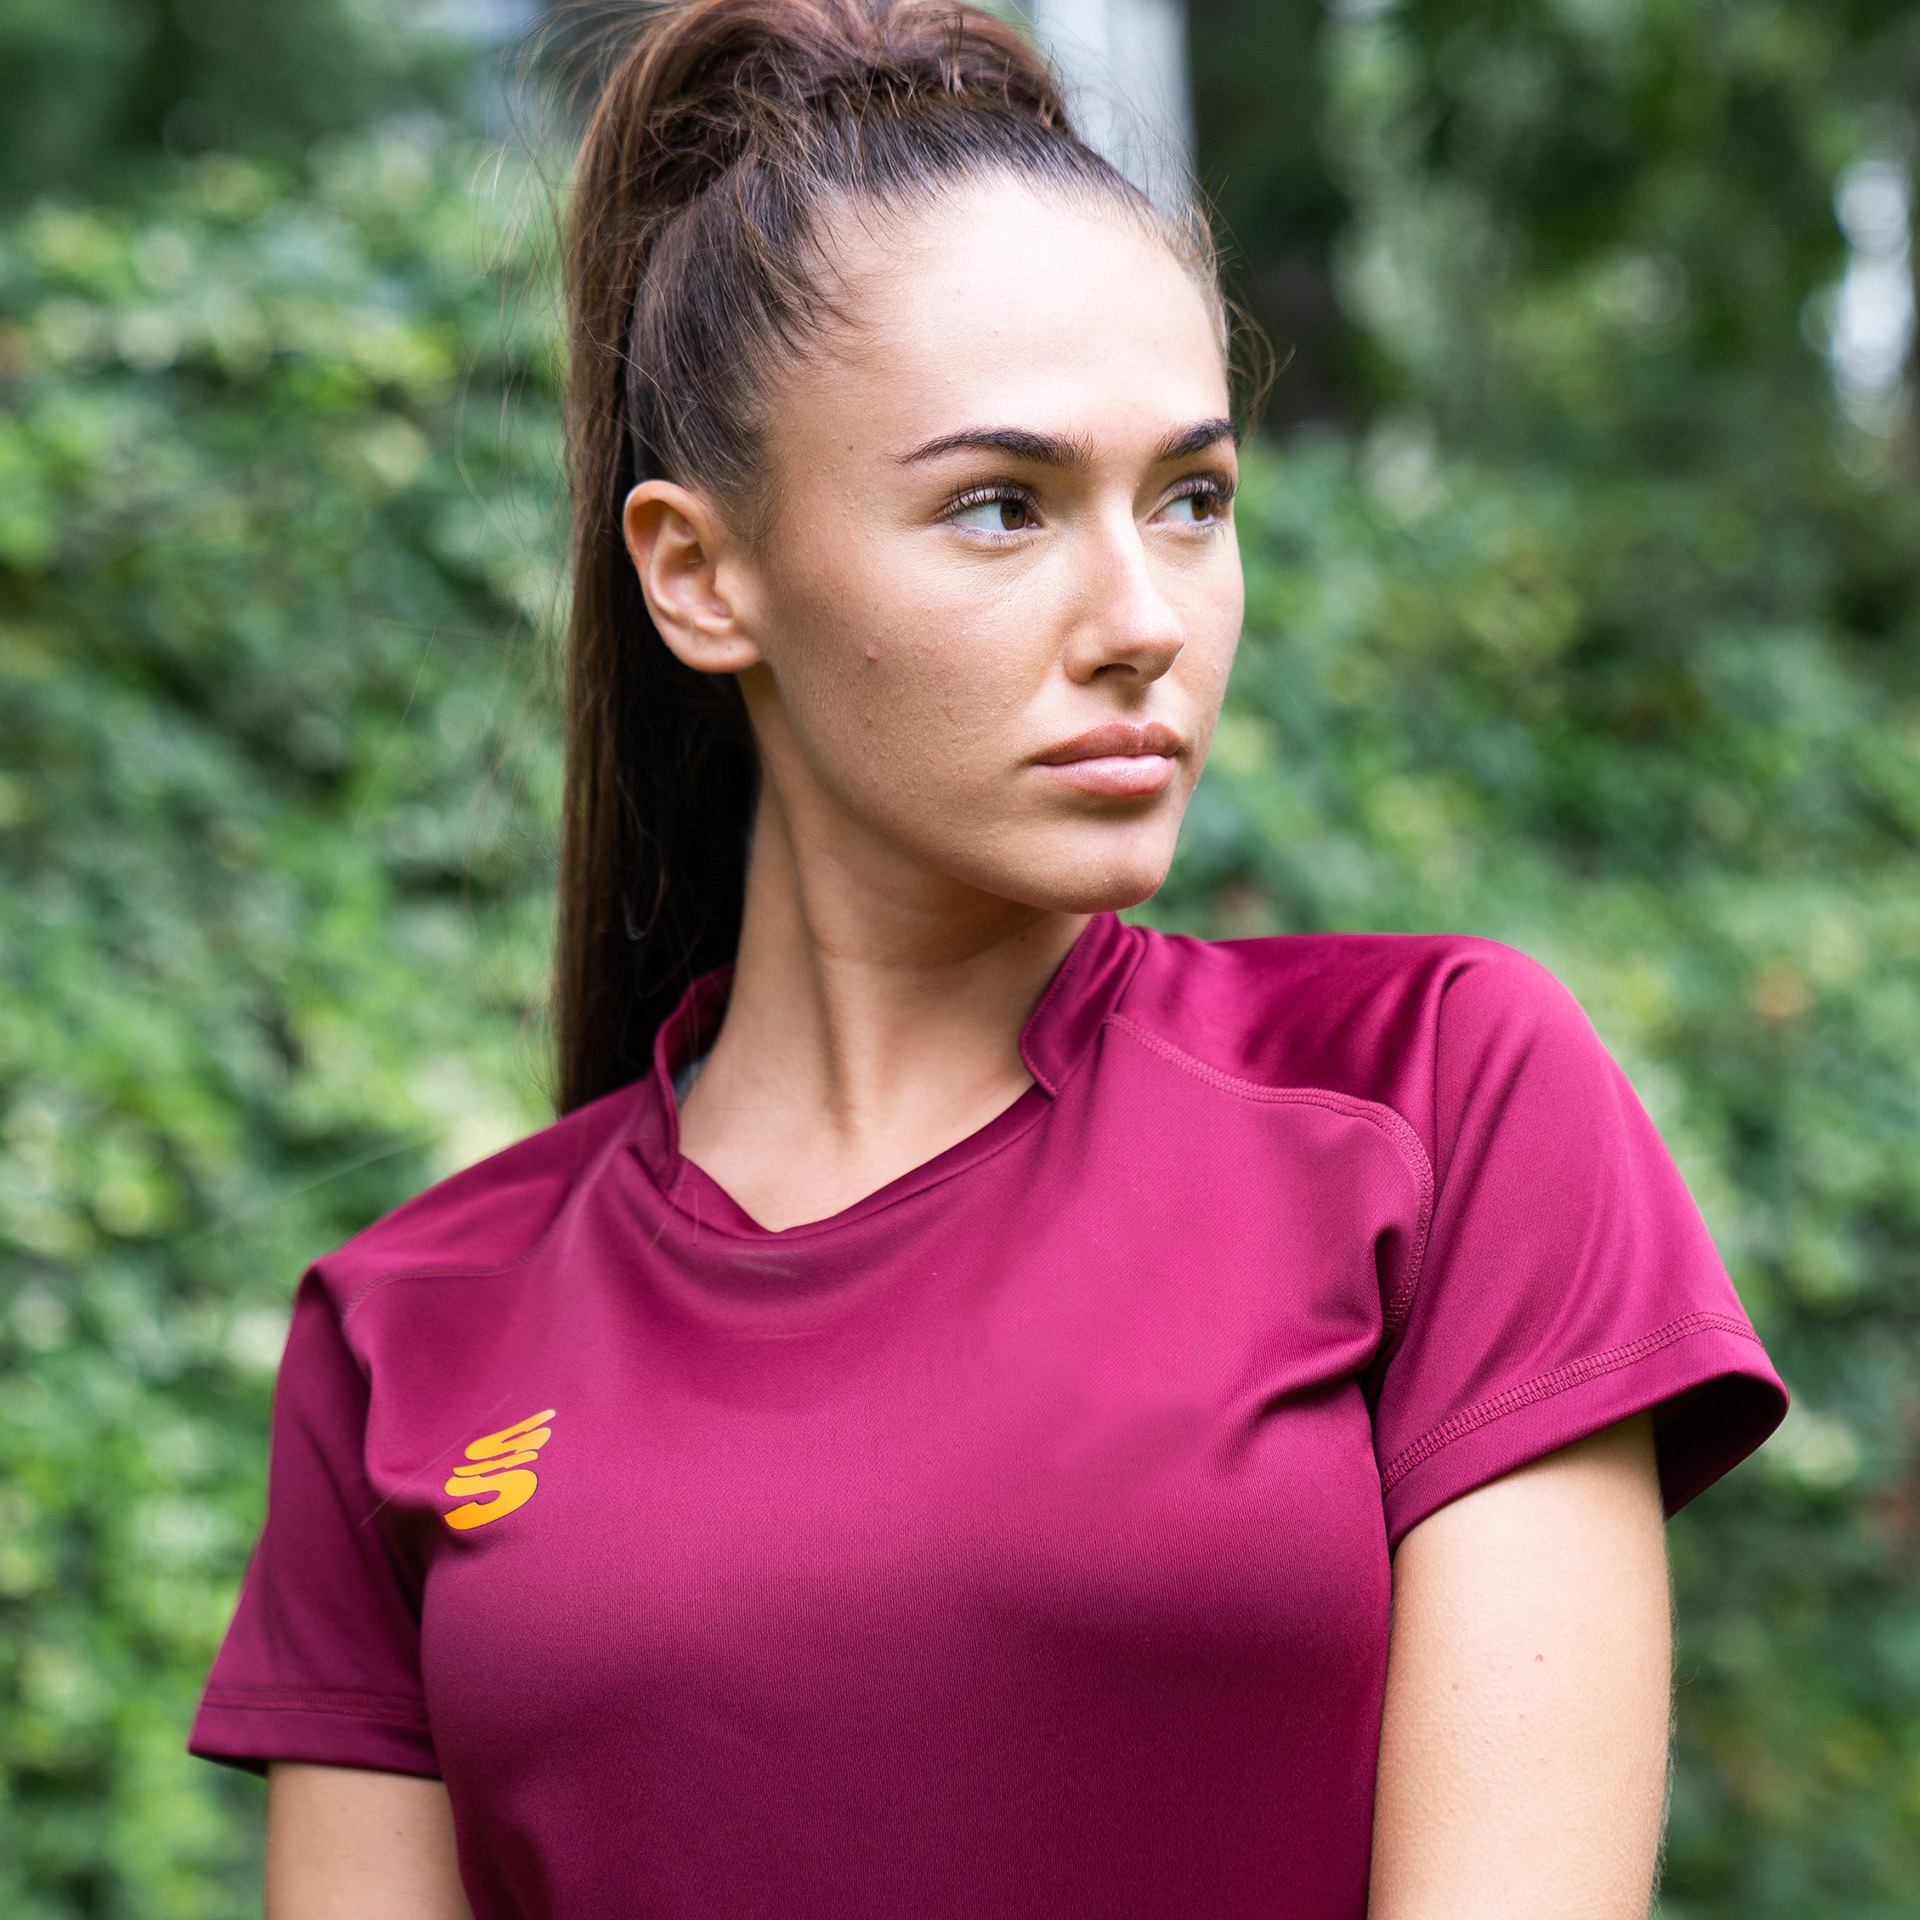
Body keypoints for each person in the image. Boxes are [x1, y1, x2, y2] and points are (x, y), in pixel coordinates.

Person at [189, 3, 1787, 1915]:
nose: (1144, 618)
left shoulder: (1438, 1099)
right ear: (701, 573)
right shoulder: (409, 1334)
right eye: (1001, 506)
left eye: (1191, 499)